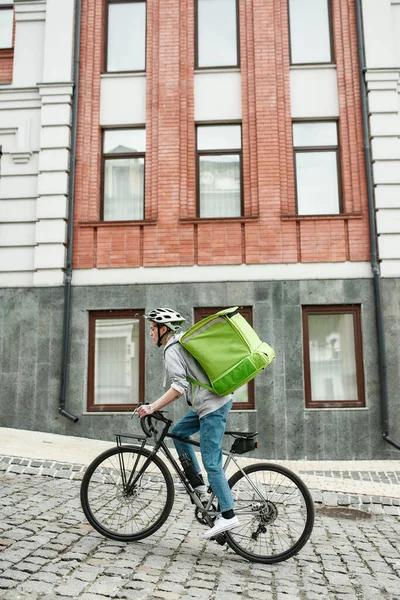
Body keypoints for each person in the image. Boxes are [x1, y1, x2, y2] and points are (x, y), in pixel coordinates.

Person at [137, 307, 239, 539]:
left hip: (211, 406)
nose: (150, 333)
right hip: (208, 402)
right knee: (180, 434)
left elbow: (178, 387)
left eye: (152, 329)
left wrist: (152, 407)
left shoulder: (172, 349)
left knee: (211, 462)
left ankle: (229, 514)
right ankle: (200, 489)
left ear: (164, 329)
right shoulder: (181, 342)